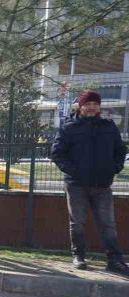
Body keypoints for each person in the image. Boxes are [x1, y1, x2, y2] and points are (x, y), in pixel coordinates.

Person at [51, 90, 128, 274]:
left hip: (102, 186)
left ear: (99, 106)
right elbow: (57, 153)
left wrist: (114, 168)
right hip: (76, 185)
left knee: (108, 224)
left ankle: (115, 260)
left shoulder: (108, 126)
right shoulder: (69, 127)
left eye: (95, 104)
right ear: (80, 106)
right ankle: (78, 256)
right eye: (87, 104)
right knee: (77, 222)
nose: (91, 107)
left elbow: (120, 150)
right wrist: (74, 172)